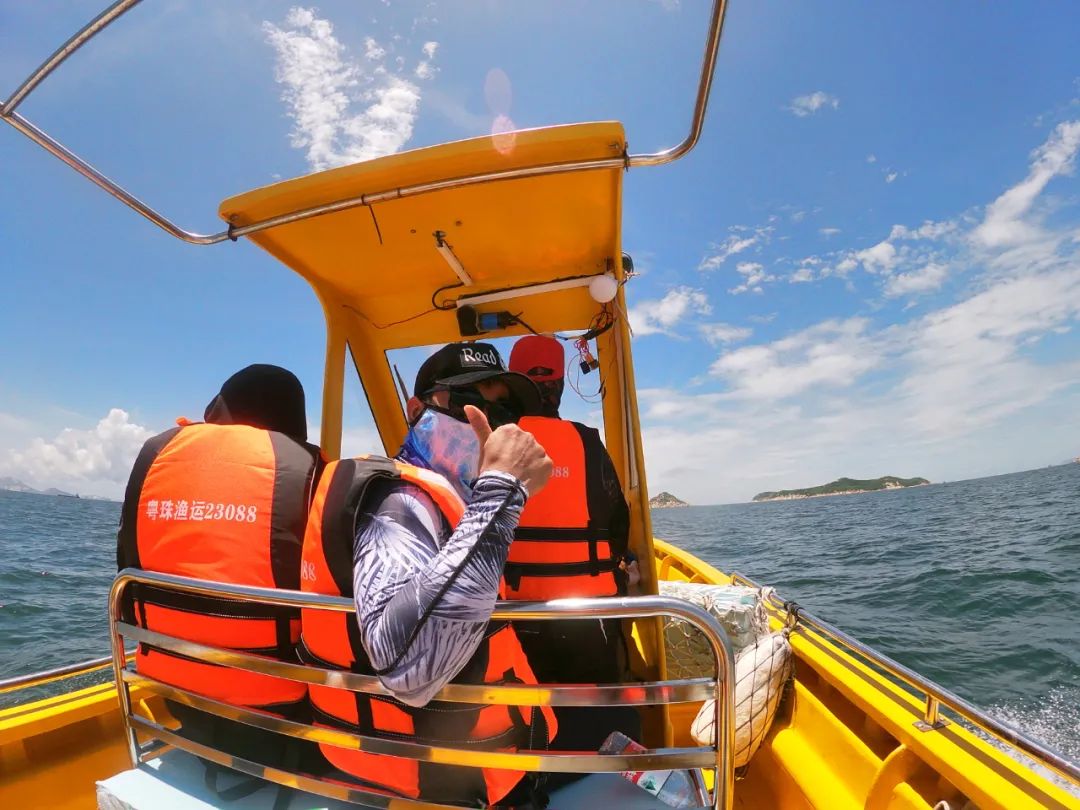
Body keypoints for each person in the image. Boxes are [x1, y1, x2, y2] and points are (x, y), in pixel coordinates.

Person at [299, 342, 558, 808]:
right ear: (416, 409)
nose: (488, 421)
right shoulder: (400, 502)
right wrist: (505, 489)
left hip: (447, 766)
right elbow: (409, 668)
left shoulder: (454, 501)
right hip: (441, 784)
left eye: (503, 410)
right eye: (468, 402)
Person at [116, 364, 322, 776]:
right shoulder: (310, 471)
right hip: (282, 715)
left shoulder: (158, 455)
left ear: (218, 410)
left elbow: (126, 566)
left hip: (171, 692)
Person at [507, 335, 641, 762]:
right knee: (599, 732)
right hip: (589, 621)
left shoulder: (490, 445)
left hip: (511, 621)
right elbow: (618, 523)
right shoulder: (588, 444)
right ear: (560, 385)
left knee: (523, 723)